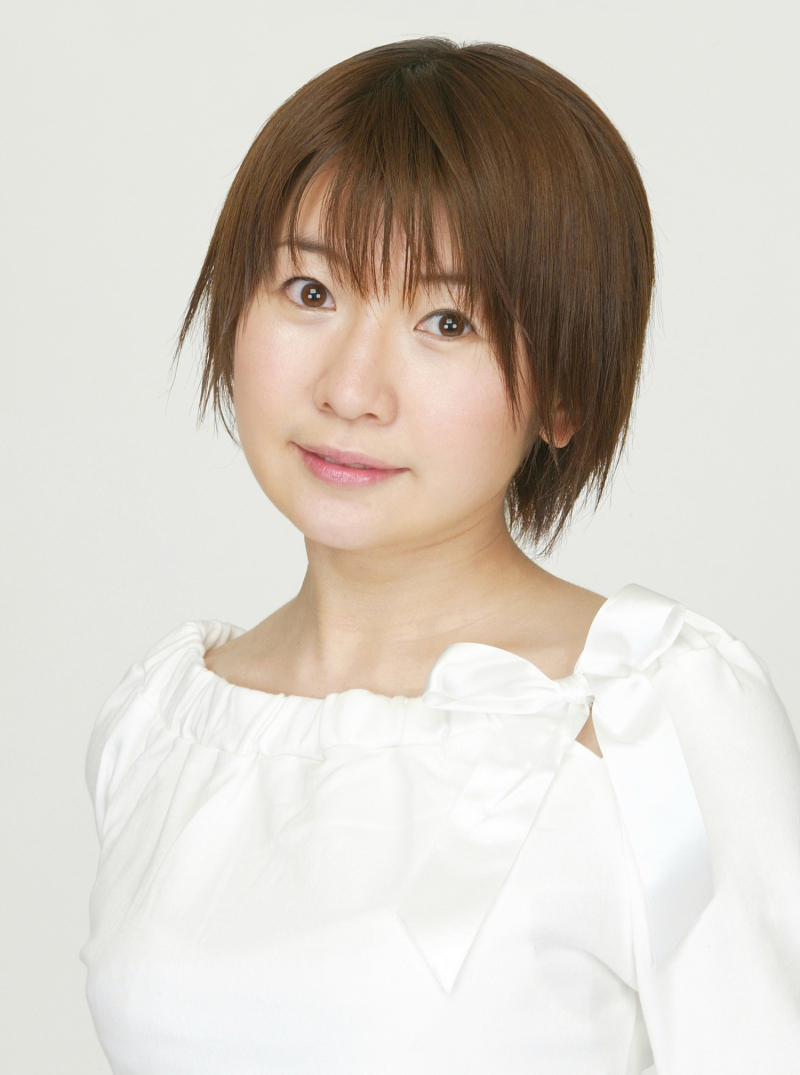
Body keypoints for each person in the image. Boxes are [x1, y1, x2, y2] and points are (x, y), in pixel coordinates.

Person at [80, 37, 800, 1074]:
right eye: (310, 292)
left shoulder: (650, 712)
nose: (350, 389)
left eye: (446, 320)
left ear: (563, 391)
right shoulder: (162, 725)